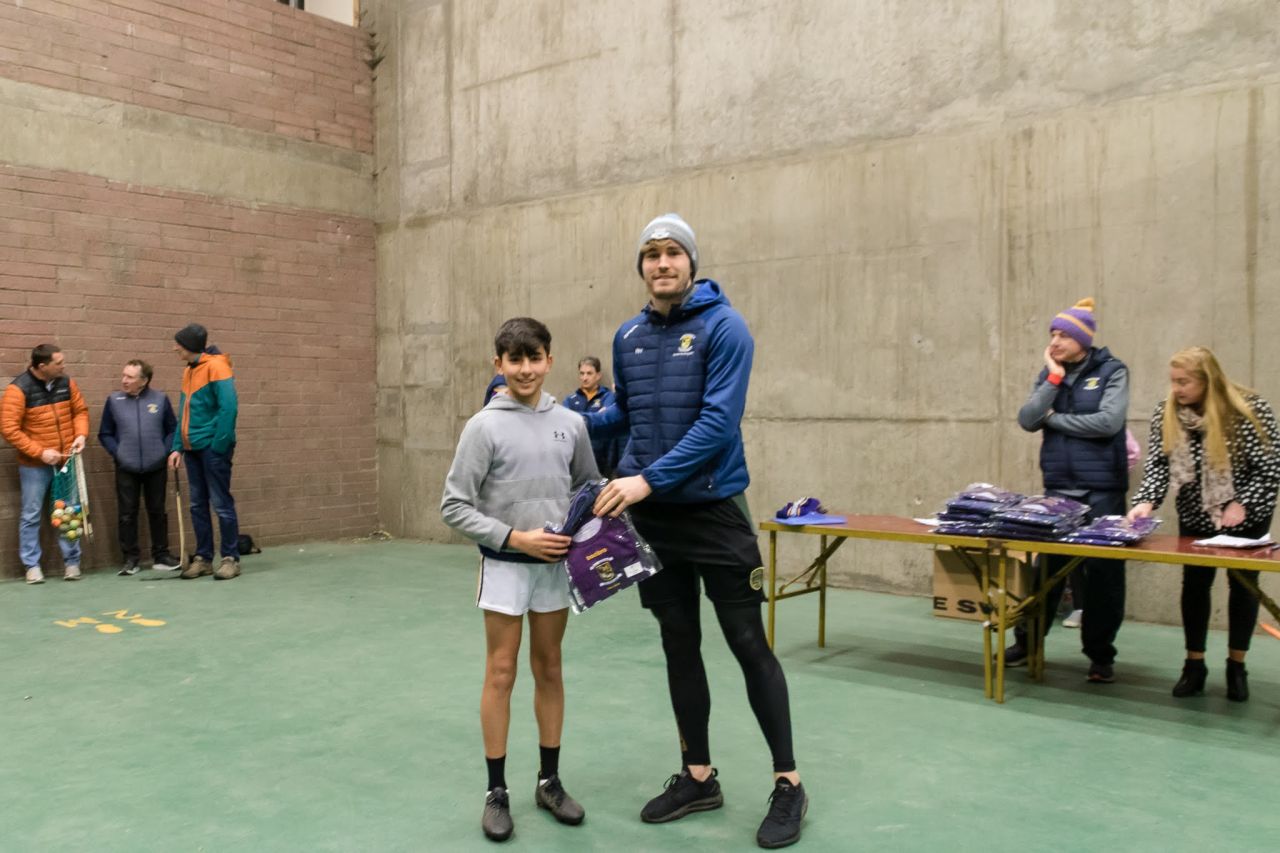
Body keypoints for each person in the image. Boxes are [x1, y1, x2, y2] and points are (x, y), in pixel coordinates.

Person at [585, 214, 807, 849]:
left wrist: (644, 480)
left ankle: (789, 782)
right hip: (654, 523)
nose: (662, 263)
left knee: (746, 642)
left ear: (691, 262)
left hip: (712, 515)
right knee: (678, 645)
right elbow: (626, 415)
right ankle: (698, 775)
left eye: (673, 252)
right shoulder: (627, 336)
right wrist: (556, 421)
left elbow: (716, 423)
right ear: (641, 267)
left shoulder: (724, 327)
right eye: (650, 254)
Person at [441, 317, 599, 842]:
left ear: (549, 360)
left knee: (549, 667)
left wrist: (596, 529)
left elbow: (587, 487)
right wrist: (515, 538)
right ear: (499, 364)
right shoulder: (483, 427)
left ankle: (549, 782)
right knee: (502, 672)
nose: (526, 369)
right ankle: (496, 792)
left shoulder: (572, 424)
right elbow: (454, 506)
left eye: (535, 358)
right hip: (507, 567)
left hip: (556, 571)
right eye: (515, 360)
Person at [1128, 346, 1280, 702]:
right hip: (1195, 513)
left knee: (1243, 587)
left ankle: (1236, 666)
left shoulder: (1248, 410)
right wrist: (1145, 501)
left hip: (1245, 514)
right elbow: (1159, 466)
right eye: (1173, 382)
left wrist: (1243, 504)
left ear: (1207, 380)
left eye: (1185, 382)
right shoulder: (1167, 413)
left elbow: (1270, 468)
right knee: (1195, 584)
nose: (1177, 389)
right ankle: (1193, 665)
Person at [1010, 298, 1130, 683]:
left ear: (1084, 339)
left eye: (1063, 335)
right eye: (1052, 335)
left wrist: (1057, 420)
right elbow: (1029, 419)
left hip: (1102, 490)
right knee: (1044, 571)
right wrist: (1053, 378)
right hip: (1058, 489)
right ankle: (1027, 642)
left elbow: (1108, 422)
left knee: (1103, 577)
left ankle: (1100, 655)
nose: (1055, 341)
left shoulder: (1112, 371)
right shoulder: (1050, 375)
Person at [1, 344, 89, 584]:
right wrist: (40, 453)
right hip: (34, 466)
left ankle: (72, 563)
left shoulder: (67, 383)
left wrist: (80, 435)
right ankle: (32, 566)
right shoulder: (18, 389)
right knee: (30, 515)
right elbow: (9, 429)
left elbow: (80, 411)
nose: (63, 366)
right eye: (58, 363)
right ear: (42, 366)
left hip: (66, 462)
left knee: (69, 513)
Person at [168, 323, 241, 581]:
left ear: (189, 345)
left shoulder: (217, 367)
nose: (175, 347)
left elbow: (229, 408)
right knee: (198, 505)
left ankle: (231, 558)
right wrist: (177, 446)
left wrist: (219, 445)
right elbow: (183, 412)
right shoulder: (189, 371)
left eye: (178, 343)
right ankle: (204, 558)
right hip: (192, 448)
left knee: (221, 503)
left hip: (212, 447)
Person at [99, 359, 182, 575]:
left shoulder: (160, 399)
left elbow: (172, 430)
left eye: (130, 377)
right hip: (126, 467)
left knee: (157, 511)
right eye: (124, 375)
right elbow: (105, 433)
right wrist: (118, 453)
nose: (124, 380)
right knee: (127, 514)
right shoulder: (114, 401)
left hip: (156, 467)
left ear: (143, 381)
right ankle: (130, 559)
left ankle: (161, 555)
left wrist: (165, 451)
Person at [561, 356, 625, 476]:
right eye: (582, 373)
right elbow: (564, 422)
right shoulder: (570, 400)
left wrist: (574, 417)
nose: (584, 378)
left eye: (589, 373)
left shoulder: (609, 397)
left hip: (602, 461)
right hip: (574, 460)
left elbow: (607, 419)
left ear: (598, 375)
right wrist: (597, 415)